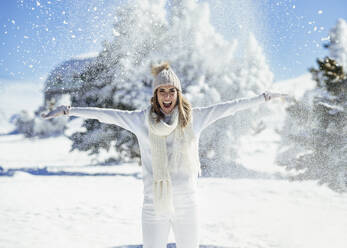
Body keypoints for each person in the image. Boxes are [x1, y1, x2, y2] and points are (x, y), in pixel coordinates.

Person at [42, 62, 286, 248]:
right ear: (155, 95)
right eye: (162, 91)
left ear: (178, 94)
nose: (167, 96)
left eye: (172, 91)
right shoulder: (140, 120)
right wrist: (69, 111)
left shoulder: (194, 118)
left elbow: (229, 108)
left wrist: (262, 98)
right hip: (153, 205)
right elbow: (105, 114)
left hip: (187, 204)